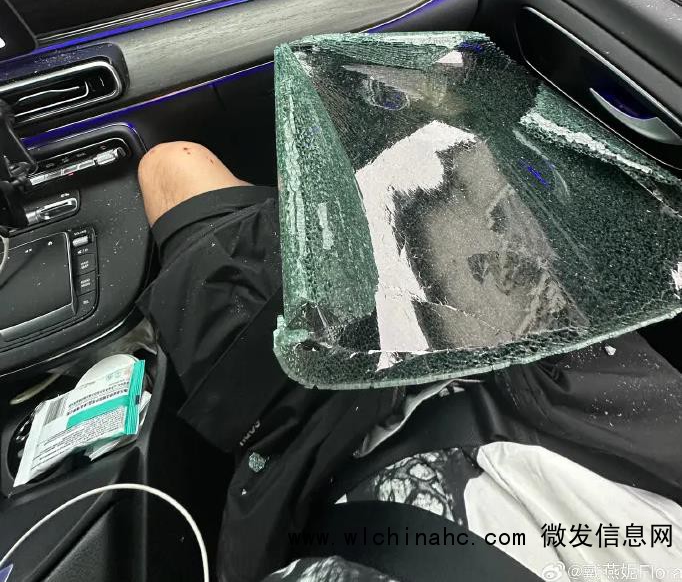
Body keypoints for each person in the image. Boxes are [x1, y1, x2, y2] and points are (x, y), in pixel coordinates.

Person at [136, 141, 682, 582]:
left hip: (319, 407)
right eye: (500, 245)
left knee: (172, 165)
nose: (513, 248)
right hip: (534, 362)